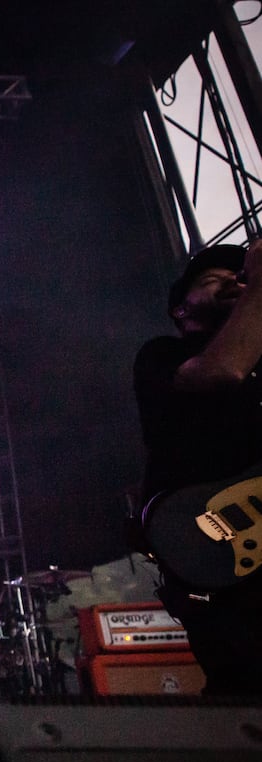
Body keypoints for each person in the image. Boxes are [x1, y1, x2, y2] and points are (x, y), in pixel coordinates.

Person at [134, 242, 262, 696]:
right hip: (214, 549)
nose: (232, 279)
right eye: (213, 278)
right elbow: (223, 369)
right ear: (179, 309)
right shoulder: (162, 355)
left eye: (239, 274)